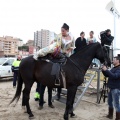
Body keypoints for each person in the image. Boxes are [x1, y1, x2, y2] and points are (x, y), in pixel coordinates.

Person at [102, 54, 120, 120]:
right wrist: (103, 70)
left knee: (116, 104)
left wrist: (106, 70)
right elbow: (108, 75)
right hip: (111, 87)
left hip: (116, 89)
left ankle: (118, 118)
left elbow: (114, 76)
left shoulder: (119, 69)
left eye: (114, 60)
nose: (113, 60)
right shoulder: (114, 68)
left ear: (118, 61)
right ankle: (110, 115)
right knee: (109, 102)